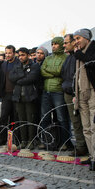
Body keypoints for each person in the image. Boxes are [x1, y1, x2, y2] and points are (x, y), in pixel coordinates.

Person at [40, 36, 72, 151]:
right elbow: (42, 71)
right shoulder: (48, 58)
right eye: (52, 44)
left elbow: (61, 71)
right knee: (45, 117)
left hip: (58, 91)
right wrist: (53, 74)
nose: (53, 46)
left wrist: (52, 72)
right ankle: (46, 140)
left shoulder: (66, 58)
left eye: (56, 44)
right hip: (46, 91)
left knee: (62, 118)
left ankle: (65, 142)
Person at [61, 33, 88, 156]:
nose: (64, 45)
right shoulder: (68, 58)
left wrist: (74, 92)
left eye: (66, 42)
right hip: (67, 92)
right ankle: (81, 145)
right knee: (75, 121)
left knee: (80, 122)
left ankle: (83, 147)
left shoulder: (78, 57)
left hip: (76, 93)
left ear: (73, 43)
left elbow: (76, 76)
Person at [9, 47, 40, 149]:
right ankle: (23, 140)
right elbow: (11, 77)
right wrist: (22, 76)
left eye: (22, 55)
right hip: (18, 96)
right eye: (19, 55)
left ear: (27, 55)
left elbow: (31, 78)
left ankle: (31, 140)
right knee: (21, 120)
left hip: (30, 96)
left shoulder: (34, 65)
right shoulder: (17, 65)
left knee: (30, 119)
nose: (20, 57)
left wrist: (18, 79)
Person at [73, 28, 95, 167]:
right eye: (75, 39)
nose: (76, 42)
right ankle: (92, 155)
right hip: (81, 92)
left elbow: (92, 62)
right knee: (86, 127)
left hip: (92, 91)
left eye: (78, 39)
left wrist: (80, 55)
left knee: (94, 126)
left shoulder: (92, 47)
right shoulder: (77, 54)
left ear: (86, 38)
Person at [0, 45, 20, 146]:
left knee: (14, 118)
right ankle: (1, 139)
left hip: (15, 94)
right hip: (6, 94)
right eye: (6, 53)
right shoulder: (3, 64)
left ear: (14, 53)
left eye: (9, 53)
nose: (7, 55)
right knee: (3, 117)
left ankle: (14, 139)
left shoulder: (18, 63)